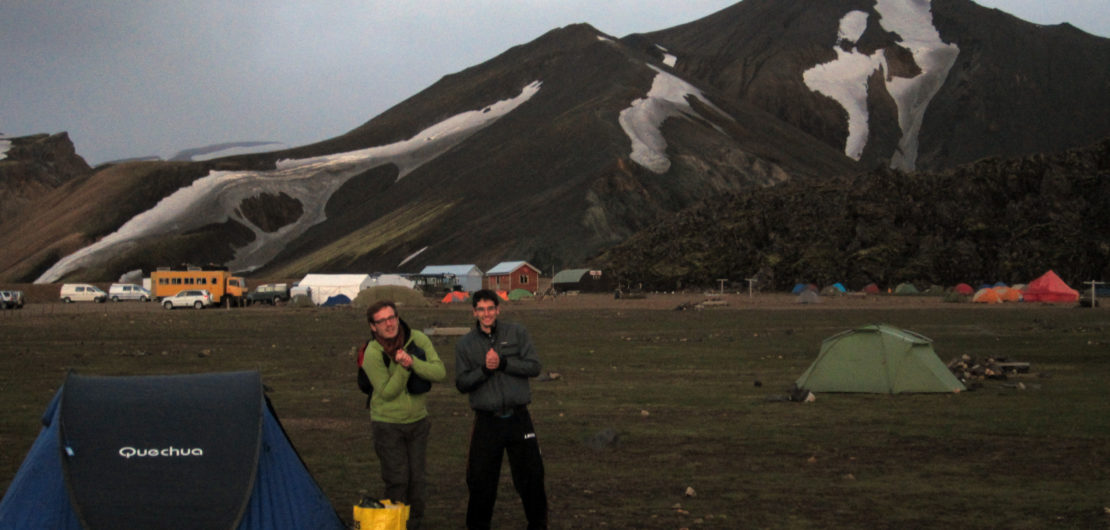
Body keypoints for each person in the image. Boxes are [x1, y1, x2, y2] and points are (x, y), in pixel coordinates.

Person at [455, 289, 548, 529]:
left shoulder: (517, 333)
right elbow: (462, 383)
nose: (486, 314)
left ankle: (538, 524)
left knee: (531, 477)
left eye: (490, 308)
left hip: (518, 418)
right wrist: (485, 370)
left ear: (498, 309)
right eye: (481, 309)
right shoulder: (465, 344)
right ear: (474, 312)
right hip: (487, 421)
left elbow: (534, 367)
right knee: (480, 481)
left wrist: (504, 363)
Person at [363, 300, 446, 530]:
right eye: (382, 321)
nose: (389, 324)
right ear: (373, 326)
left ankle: (415, 524)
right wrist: (403, 368)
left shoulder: (417, 338)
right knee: (397, 481)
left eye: (392, 317)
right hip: (387, 425)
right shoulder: (371, 353)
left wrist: (413, 362)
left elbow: (439, 372)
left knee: (418, 480)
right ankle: (394, 525)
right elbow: (387, 392)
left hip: (418, 422)